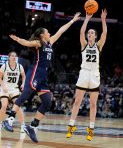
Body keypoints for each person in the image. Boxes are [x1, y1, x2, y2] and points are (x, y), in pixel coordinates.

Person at [2, 12, 80, 143]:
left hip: (44, 75)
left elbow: (61, 30)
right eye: (47, 32)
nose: (50, 33)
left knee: (47, 101)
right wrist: (18, 40)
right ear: (42, 34)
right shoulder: (38, 43)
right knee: (26, 93)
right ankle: (8, 120)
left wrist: (72, 21)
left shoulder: (50, 42)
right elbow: (27, 43)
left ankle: (32, 126)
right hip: (36, 71)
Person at [66, 9, 107, 141]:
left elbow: (105, 33)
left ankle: (91, 129)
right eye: (89, 33)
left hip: (94, 74)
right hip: (83, 73)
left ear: (95, 36)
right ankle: (71, 126)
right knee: (77, 101)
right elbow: (81, 31)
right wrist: (87, 18)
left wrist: (103, 20)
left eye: (92, 33)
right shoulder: (83, 44)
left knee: (93, 104)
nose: (89, 34)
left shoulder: (99, 46)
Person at [0, 51, 26, 133]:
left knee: (17, 106)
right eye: (12, 56)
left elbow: (24, 76)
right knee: (4, 106)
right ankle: (0, 123)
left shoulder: (19, 66)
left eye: (15, 56)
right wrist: (3, 86)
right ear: (9, 57)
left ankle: (23, 125)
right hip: (5, 88)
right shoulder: (4, 66)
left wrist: (23, 84)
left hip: (14, 89)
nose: (14, 57)